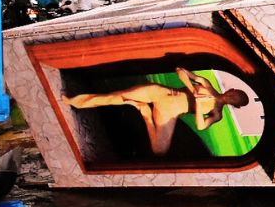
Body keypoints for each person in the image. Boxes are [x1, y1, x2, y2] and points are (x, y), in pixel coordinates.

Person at [66, 67, 249, 156]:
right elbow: (181, 71)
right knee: (114, 97)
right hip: (162, 93)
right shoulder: (207, 85)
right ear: (231, 89)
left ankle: (145, 112)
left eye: (235, 99)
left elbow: (201, 126)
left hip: (169, 112)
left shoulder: (217, 114)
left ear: (236, 105)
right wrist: (192, 89)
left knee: (159, 150)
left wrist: (199, 106)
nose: (231, 96)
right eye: (234, 93)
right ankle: (73, 101)